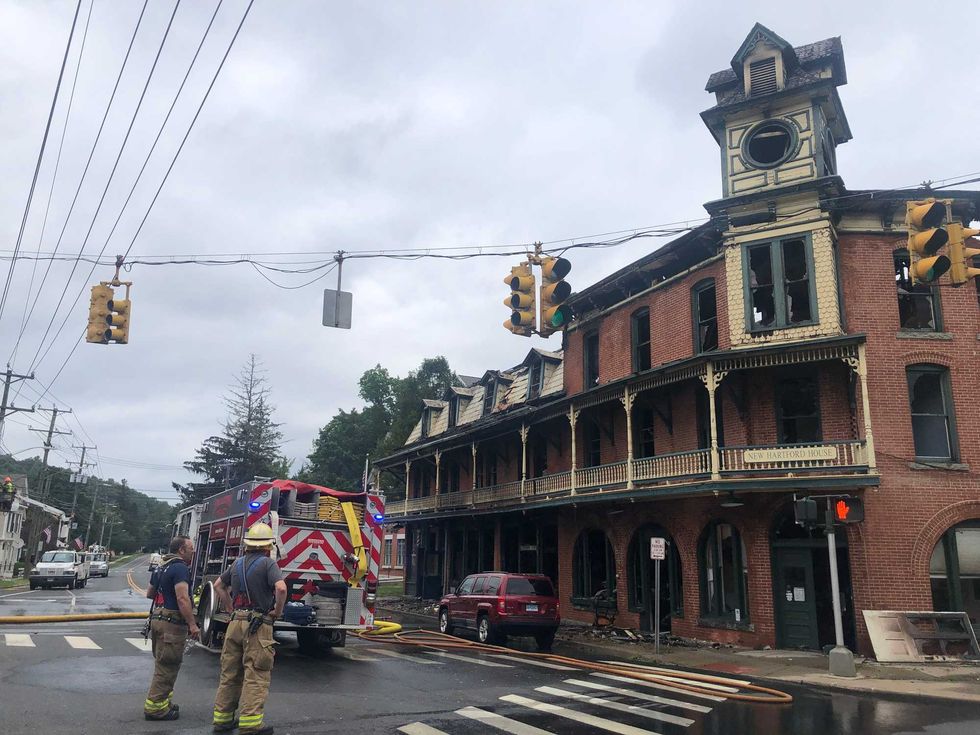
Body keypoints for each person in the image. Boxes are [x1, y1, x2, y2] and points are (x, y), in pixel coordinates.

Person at [212, 523, 286, 735]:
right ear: (267, 546)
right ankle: (251, 724)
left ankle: (222, 720)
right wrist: (276, 612)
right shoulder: (268, 564)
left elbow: (218, 585)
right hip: (257, 625)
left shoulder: (236, 564)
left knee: (230, 673)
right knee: (256, 673)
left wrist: (229, 607)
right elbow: (280, 588)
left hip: (235, 622)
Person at [142, 535, 200, 721]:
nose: (193, 551)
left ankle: (163, 703)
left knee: (162, 662)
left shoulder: (161, 566)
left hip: (157, 620)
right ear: (181, 550)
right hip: (172, 624)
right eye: (190, 548)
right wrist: (192, 624)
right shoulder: (180, 568)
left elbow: (150, 593)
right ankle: (155, 708)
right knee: (168, 665)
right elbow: (182, 598)